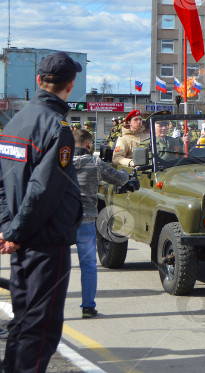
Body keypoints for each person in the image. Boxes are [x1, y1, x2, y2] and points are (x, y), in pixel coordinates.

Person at [0, 51, 84, 372]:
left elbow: (2, 186)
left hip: (21, 242)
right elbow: (43, 191)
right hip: (46, 244)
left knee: (22, 322)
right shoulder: (58, 128)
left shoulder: (15, 123)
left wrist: (9, 229)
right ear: (70, 86)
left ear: (38, 81)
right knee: (40, 329)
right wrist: (15, 232)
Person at [72, 128, 130, 318]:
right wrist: (129, 177)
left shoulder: (59, 163)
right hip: (86, 219)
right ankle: (88, 306)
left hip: (61, 221)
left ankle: (51, 307)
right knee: (88, 264)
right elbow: (119, 178)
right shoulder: (94, 163)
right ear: (88, 145)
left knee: (58, 265)